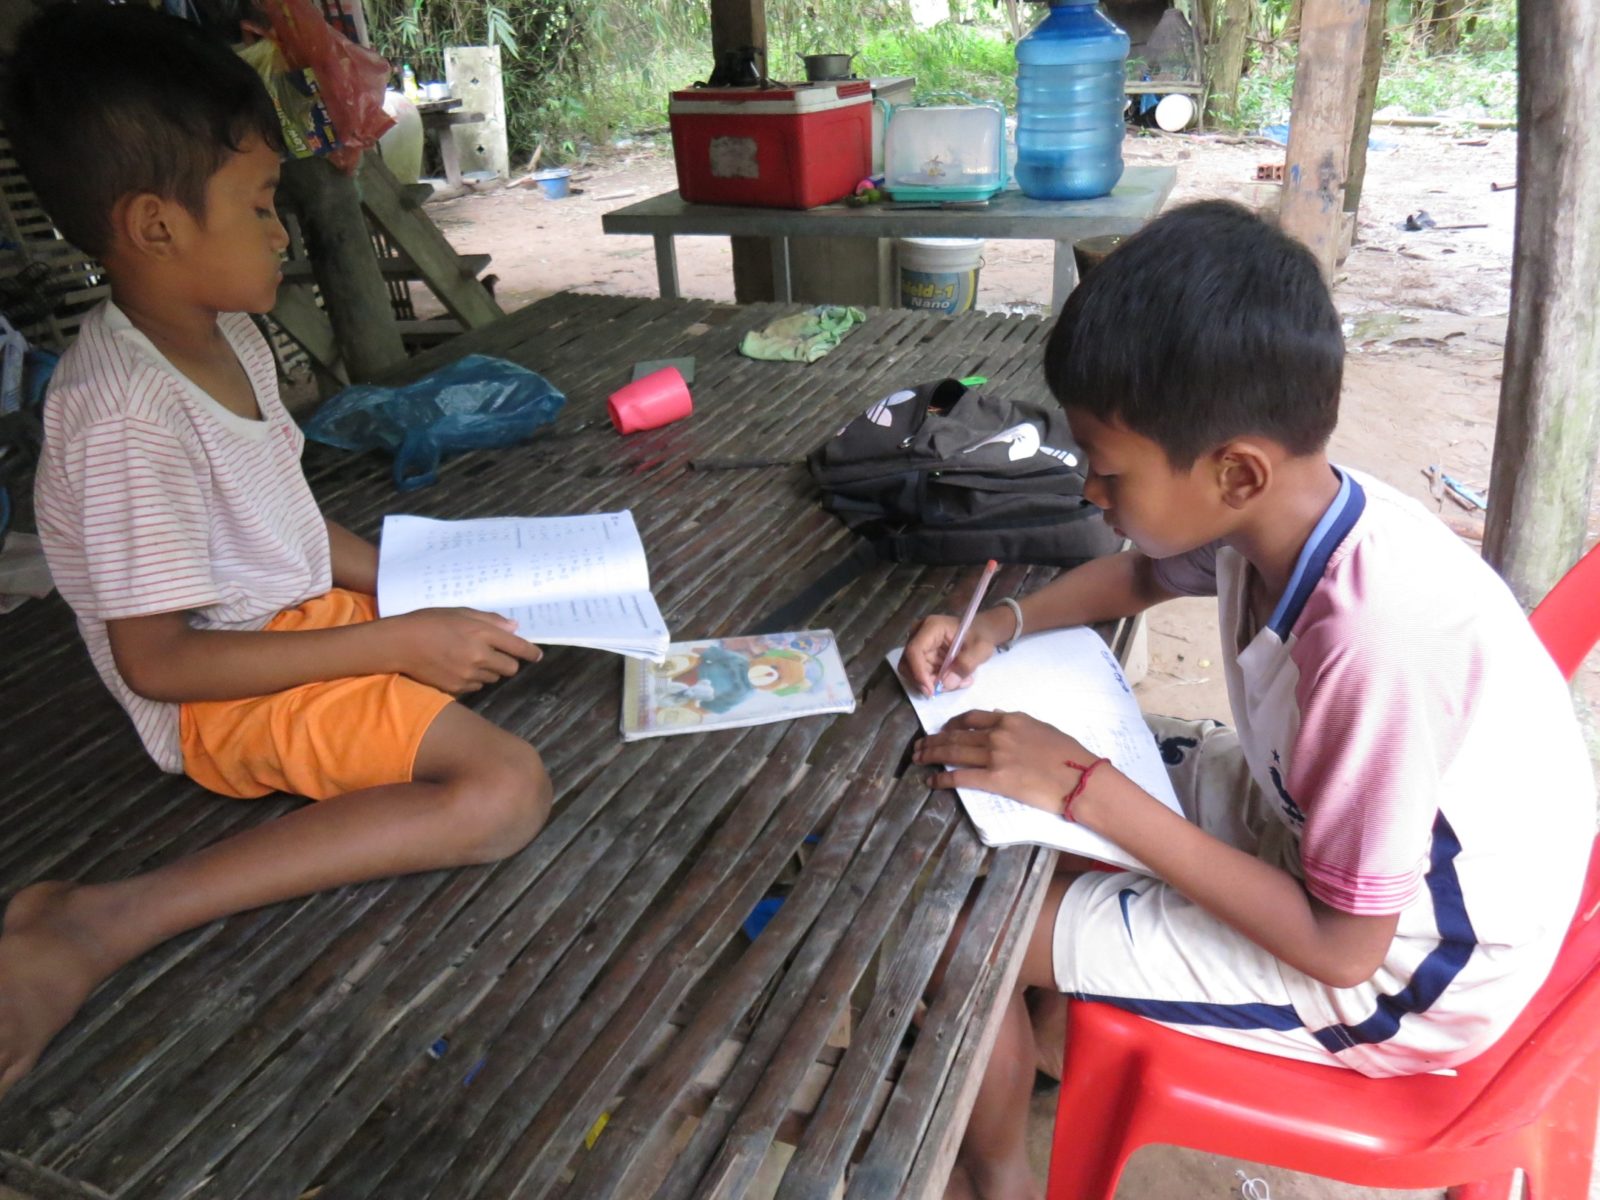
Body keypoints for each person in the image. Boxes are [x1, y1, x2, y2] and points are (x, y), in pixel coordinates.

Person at [897, 200, 1595, 1200]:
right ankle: (1058, 1028)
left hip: (1404, 970)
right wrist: (999, 628)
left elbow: (1339, 948)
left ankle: (1000, 1177)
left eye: (1107, 472)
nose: (1091, 496)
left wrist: (1087, 788)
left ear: (1233, 471)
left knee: (967, 936)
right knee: (1014, 806)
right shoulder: (1276, 516)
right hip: (1319, 837)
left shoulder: (1371, 647)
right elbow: (1139, 579)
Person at [0, 4, 553, 1101]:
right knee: (503, 791)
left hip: (289, 629)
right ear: (155, 226)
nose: (280, 230)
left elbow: (291, 531)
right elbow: (161, 664)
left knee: (509, 637)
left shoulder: (232, 334)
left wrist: (419, 587)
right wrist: (396, 634)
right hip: (222, 691)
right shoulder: (122, 417)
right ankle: (106, 919)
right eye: (257, 205)